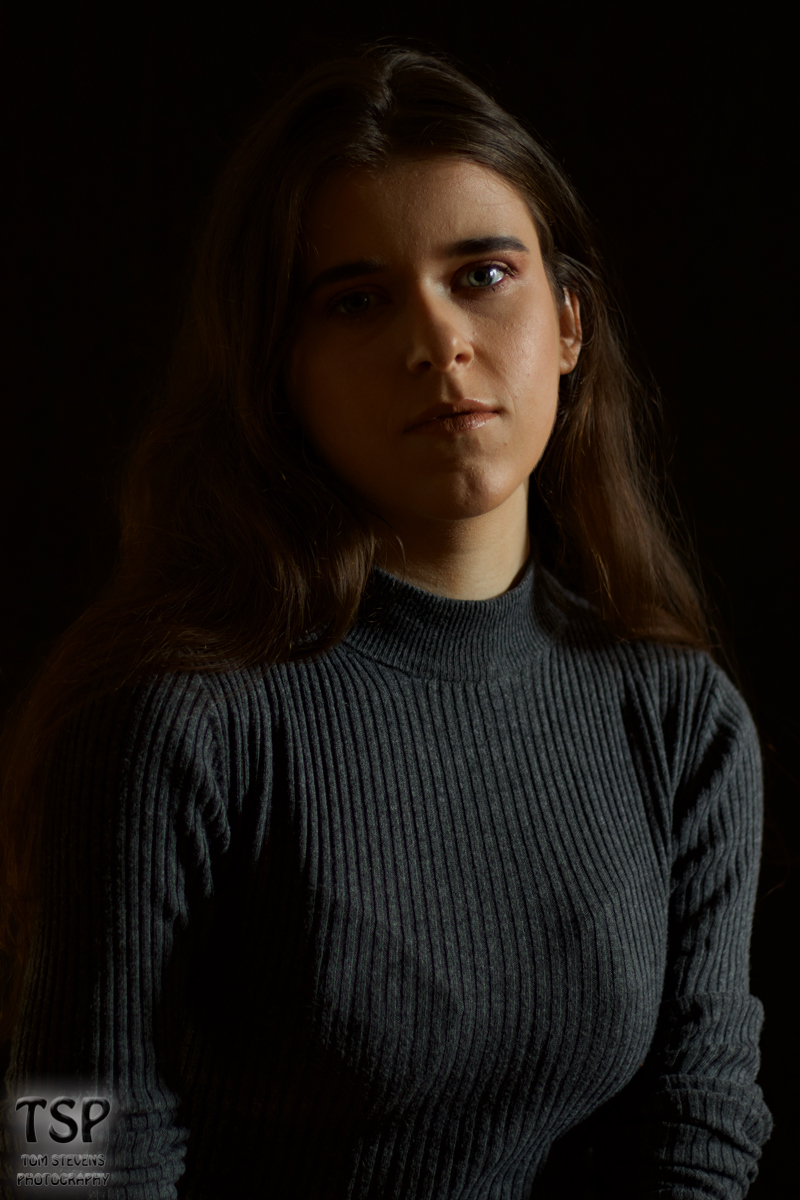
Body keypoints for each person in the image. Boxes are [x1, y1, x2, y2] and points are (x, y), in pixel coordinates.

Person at [0, 39, 773, 1199]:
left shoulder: (676, 721)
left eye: (482, 274)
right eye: (357, 300)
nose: (436, 341)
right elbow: (65, 1140)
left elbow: (698, 1116)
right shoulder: (171, 721)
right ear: (279, 370)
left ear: (568, 322)